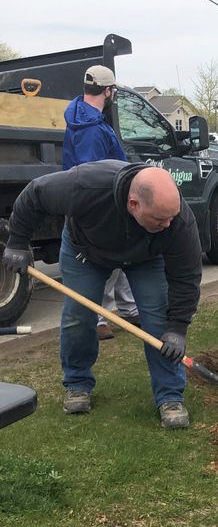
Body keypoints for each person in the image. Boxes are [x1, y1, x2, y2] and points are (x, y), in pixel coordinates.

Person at [2, 161, 202, 429]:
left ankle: (170, 395)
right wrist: (17, 241)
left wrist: (178, 326)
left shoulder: (177, 220)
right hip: (86, 251)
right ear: (134, 203)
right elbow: (35, 194)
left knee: (158, 321)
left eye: (171, 217)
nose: (168, 224)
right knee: (78, 315)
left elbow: (186, 278)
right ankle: (77, 383)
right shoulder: (85, 186)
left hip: (145, 256)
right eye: (159, 219)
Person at [63, 64, 139, 341]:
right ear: (107, 91)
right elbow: (92, 173)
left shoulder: (82, 118)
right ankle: (98, 319)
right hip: (100, 204)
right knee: (104, 260)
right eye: (112, 92)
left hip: (99, 202)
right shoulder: (91, 129)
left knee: (120, 257)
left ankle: (127, 308)